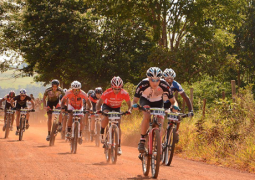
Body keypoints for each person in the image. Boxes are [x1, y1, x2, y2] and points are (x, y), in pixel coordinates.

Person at [132, 67, 176, 153]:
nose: (155, 82)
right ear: (148, 78)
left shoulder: (165, 85)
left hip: (158, 102)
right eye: (152, 80)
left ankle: (158, 144)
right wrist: (134, 105)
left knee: (160, 122)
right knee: (147, 116)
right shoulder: (142, 84)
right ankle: (142, 140)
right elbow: (135, 100)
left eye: (157, 80)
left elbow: (173, 101)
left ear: (160, 79)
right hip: (145, 100)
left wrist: (174, 106)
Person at [96, 76, 132, 155]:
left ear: (121, 88)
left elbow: (129, 104)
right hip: (107, 106)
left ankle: (119, 146)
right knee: (105, 117)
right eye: (115, 88)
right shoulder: (107, 92)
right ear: (112, 87)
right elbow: (99, 103)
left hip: (117, 108)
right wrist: (98, 110)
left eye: (118, 89)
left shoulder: (125, 93)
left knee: (118, 126)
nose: (117, 90)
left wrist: (129, 110)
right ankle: (102, 132)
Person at [162, 68, 194, 142]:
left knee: (177, 116)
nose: (169, 81)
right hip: (159, 101)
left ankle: (175, 131)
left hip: (170, 101)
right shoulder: (160, 83)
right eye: (167, 79)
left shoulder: (176, 84)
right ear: (164, 78)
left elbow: (185, 97)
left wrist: (190, 110)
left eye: (171, 79)